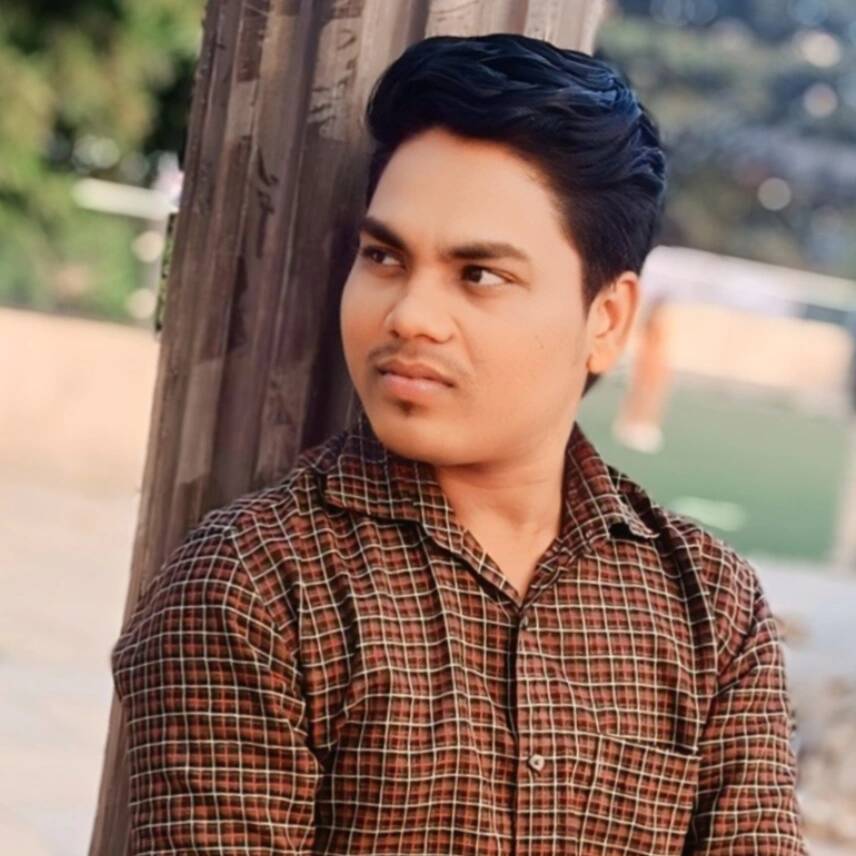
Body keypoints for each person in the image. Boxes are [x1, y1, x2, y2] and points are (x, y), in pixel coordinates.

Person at [111, 33, 808, 854]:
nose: (409, 315)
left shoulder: (711, 607)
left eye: (479, 275)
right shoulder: (258, 583)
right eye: (384, 256)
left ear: (607, 319)